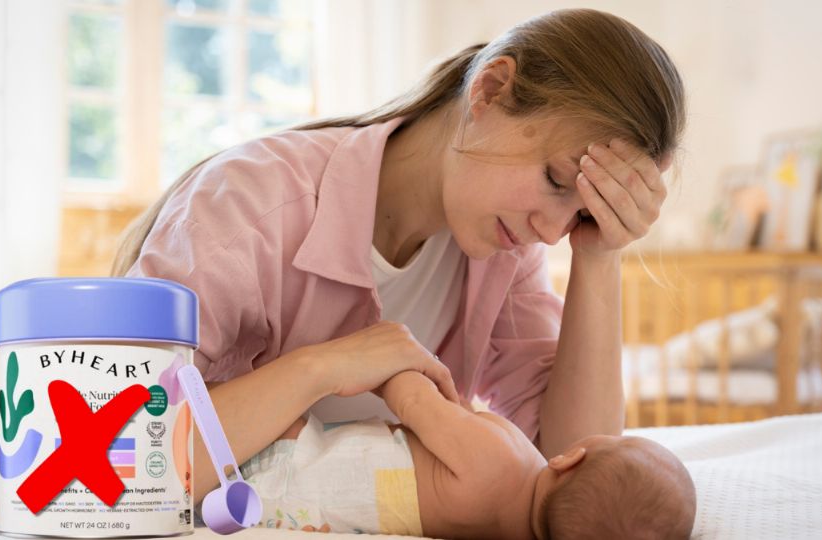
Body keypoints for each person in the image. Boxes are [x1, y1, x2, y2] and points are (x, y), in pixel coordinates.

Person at [111, 7, 686, 507]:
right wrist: (323, 368)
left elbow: (571, 473)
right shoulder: (249, 204)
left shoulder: (505, 252)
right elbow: (120, 453)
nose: (552, 231)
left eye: (583, 214)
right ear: (489, 91)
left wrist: (600, 256)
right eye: (558, 180)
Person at [237, 369, 696, 539]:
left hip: (294, 458)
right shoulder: (510, 528)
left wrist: (394, 366)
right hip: (299, 511)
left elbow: (416, 406)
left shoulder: (503, 458)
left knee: (227, 404)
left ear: (568, 458)